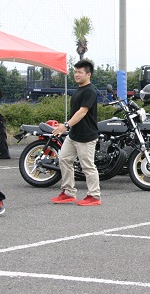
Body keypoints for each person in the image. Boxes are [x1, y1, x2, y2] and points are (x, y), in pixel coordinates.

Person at [51, 60, 101, 206]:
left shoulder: (89, 91)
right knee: (64, 159)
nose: (76, 74)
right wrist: (68, 127)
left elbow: (82, 112)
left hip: (86, 136)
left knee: (87, 166)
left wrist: (66, 126)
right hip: (74, 135)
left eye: (80, 72)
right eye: (75, 72)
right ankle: (68, 192)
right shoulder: (78, 90)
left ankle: (94, 196)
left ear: (88, 74)